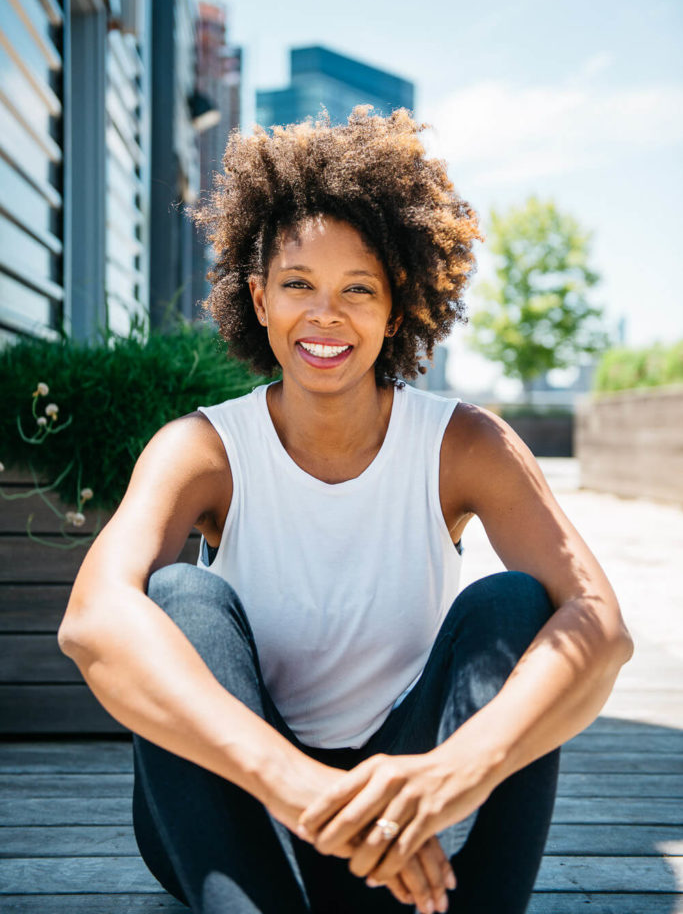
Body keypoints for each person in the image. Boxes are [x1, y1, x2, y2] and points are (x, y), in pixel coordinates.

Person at [58, 107, 633, 914]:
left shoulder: (463, 444)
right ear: (258, 299)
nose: (324, 316)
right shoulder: (202, 448)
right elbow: (90, 620)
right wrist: (289, 784)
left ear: (396, 310)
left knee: (515, 604)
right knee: (180, 600)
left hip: (414, 820)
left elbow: (601, 628)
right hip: (242, 812)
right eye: (298, 285)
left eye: (357, 290)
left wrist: (452, 771)